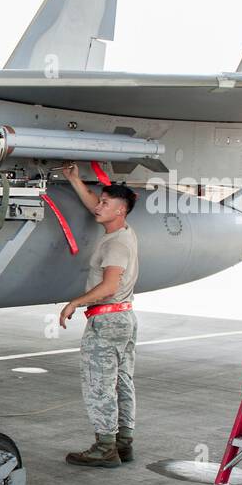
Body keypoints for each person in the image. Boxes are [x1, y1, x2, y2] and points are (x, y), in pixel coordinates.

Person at [57, 164, 139, 468]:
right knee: (122, 381)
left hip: (106, 320)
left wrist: (74, 303)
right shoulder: (124, 231)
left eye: (105, 203)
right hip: (125, 317)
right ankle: (123, 444)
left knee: (99, 383)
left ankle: (105, 447)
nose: (98, 206)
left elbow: (108, 286)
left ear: (119, 211)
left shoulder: (115, 244)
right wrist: (75, 180)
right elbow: (95, 204)